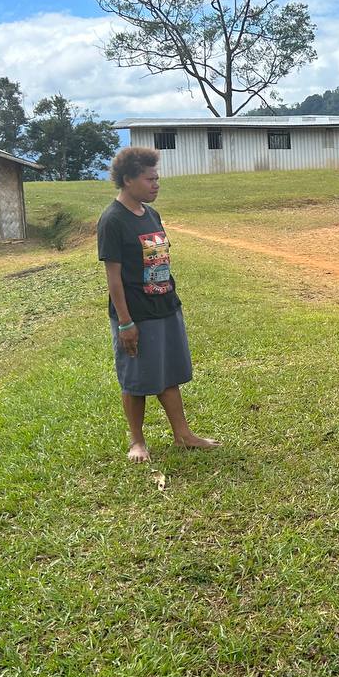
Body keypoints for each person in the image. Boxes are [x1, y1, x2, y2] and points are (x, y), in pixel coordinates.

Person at [97, 147, 218, 462]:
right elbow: (113, 278)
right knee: (135, 379)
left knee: (168, 373)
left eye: (157, 178)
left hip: (164, 305)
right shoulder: (112, 220)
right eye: (150, 179)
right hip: (136, 313)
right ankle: (137, 442)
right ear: (128, 180)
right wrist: (125, 322)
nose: (156, 184)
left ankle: (183, 435)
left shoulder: (150, 214)